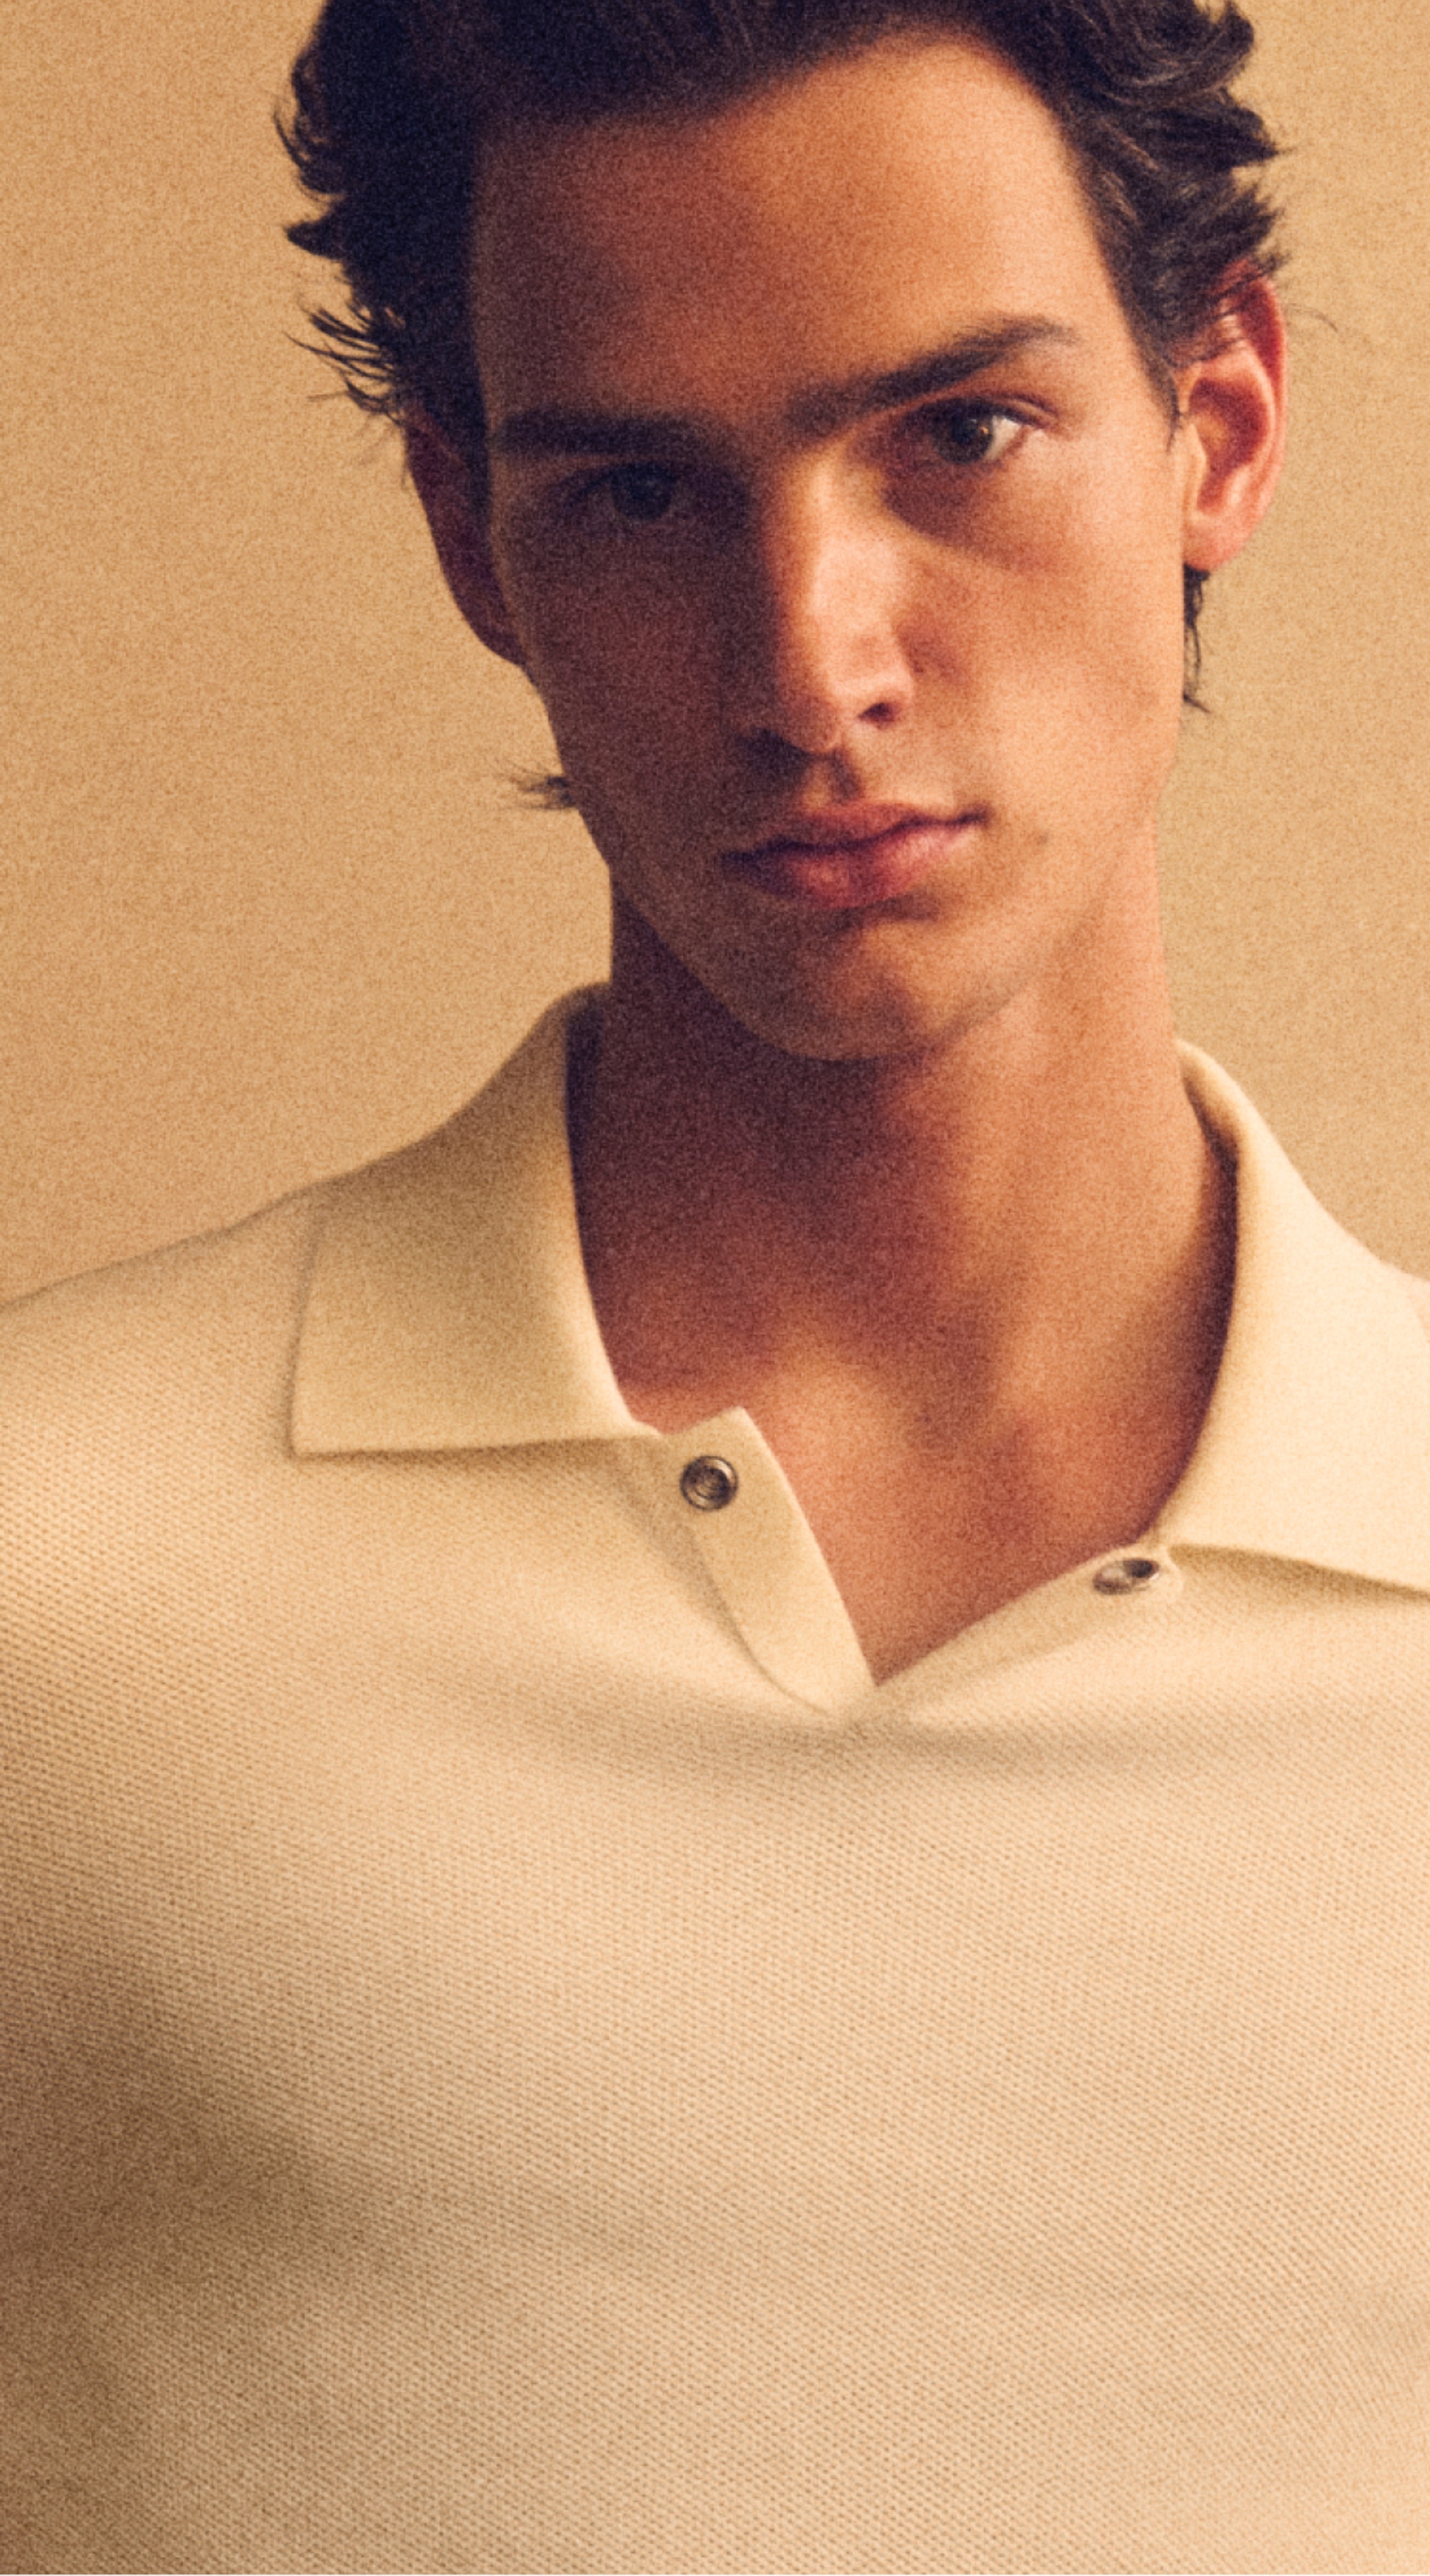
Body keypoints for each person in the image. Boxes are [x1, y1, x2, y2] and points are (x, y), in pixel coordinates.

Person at [4, 1, 1430, 2567]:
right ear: (470, 535)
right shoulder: (44, 1574)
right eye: (645, 493)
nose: (815, 663)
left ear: (1221, 413)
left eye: (962, 436)